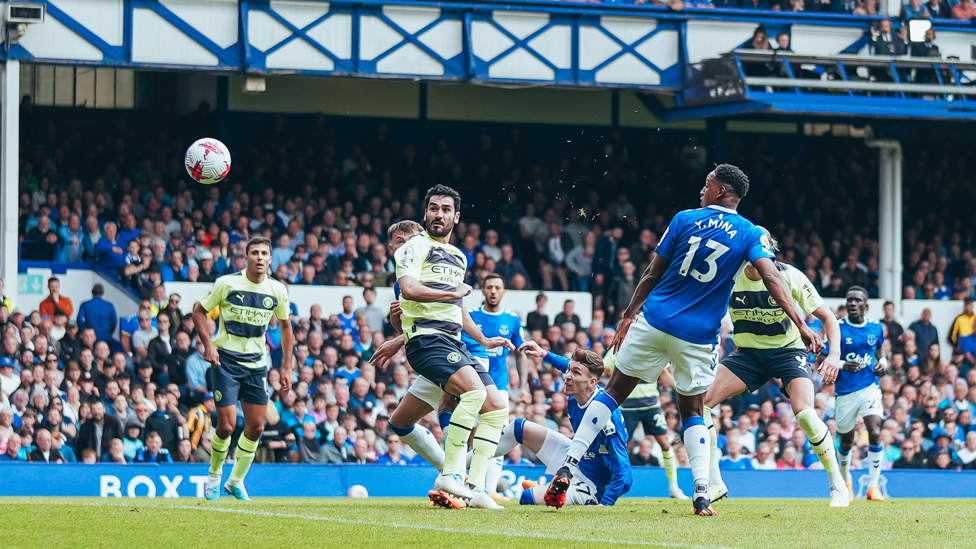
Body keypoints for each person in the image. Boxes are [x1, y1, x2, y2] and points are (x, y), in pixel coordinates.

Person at [544, 164, 820, 516]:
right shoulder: (751, 233)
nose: (701, 190)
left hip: (655, 321)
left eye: (707, 185)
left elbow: (651, 273)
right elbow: (772, 278)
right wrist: (801, 322)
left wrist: (628, 316)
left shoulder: (684, 218)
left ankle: (569, 463)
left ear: (721, 191)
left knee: (613, 391)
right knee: (692, 410)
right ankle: (702, 494)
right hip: (697, 337)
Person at [703, 230, 848, 507]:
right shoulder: (729, 276)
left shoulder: (791, 276)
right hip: (748, 354)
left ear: (770, 250)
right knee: (702, 404)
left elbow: (829, 317)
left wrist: (834, 355)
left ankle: (837, 484)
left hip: (788, 351)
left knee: (805, 413)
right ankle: (715, 481)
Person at [391, 185, 513, 509]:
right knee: (473, 393)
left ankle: (477, 488)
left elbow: (459, 308)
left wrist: (484, 339)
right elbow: (410, 289)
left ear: (456, 217)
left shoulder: (459, 256)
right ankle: (450, 473)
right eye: (433, 208)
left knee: (498, 408)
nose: (438, 214)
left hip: (455, 340)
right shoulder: (413, 248)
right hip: (426, 338)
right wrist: (449, 293)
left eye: (446, 209)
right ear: (425, 212)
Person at [194, 236, 294, 501]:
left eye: (264, 253)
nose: (259, 257)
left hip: (257, 366)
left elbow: (285, 327)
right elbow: (197, 310)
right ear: (246, 257)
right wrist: (208, 345)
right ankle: (214, 477)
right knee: (226, 426)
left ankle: (235, 481)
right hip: (225, 361)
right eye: (254, 253)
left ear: (271, 259)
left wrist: (287, 366)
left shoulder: (278, 290)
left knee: (257, 427)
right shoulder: (227, 283)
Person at [490, 348, 632, 507]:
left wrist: (605, 504)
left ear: (592, 382)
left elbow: (625, 473)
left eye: (575, 373)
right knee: (518, 427)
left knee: (528, 497)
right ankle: (461, 470)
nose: (568, 376)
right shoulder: (576, 396)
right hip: (576, 459)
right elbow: (569, 366)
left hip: (593, 483)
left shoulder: (606, 417)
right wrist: (544, 354)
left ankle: (543, 490)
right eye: (568, 371)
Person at [459, 273, 528, 501]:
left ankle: (490, 489)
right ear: (483, 290)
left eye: (498, 287)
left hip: (499, 386)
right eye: (489, 287)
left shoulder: (512, 319)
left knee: (497, 435)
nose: (493, 291)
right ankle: (459, 479)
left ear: (504, 291)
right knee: (467, 432)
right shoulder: (470, 317)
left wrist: (524, 386)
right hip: (471, 383)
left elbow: (521, 354)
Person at [826, 286, 887, 502]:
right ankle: (847, 482)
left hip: (870, 386)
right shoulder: (837, 328)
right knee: (846, 442)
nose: (852, 304)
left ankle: (873, 487)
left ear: (865, 305)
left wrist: (884, 362)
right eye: (849, 300)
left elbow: (879, 349)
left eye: (856, 300)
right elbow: (821, 358)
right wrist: (841, 364)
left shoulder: (876, 327)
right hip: (844, 391)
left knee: (875, 431)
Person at [602, 348, 688, 500]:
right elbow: (604, 370)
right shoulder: (618, 349)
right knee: (622, 447)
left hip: (651, 405)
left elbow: (665, 374)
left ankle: (674, 488)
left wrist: (681, 388)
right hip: (626, 406)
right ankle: (615, 487)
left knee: (666, 445)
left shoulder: (653, 346)